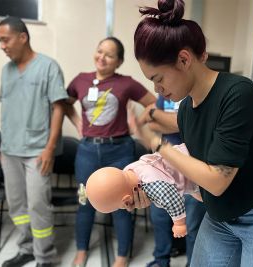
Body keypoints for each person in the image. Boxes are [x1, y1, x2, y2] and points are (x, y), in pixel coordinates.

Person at [129, 0, 253, 266]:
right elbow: (183, 121)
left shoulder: (238, 93)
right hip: (222, 212)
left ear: (184, 59)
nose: (157, 89)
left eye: (158, 79)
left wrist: (156, 144)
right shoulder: (189, 106)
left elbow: (216, 180)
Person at [65, 36, 156, 267]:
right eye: (99, 51)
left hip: (119, 150)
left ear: (119, 61)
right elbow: (63, 104)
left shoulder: (126, 83)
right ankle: (81, 250)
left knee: (122, 204)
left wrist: (139, 124)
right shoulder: (81, 80)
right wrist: (78, 124)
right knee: (84, 201)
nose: (102, 57)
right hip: (87, 150)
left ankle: (122, 256)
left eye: (109, 55)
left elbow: (154, 103)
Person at [0, 16, 68, 267]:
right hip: (10, 151)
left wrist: (50, 147)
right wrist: (2, 147)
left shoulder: (48, 66)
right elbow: (7, 110)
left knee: (38, 205)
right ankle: (27, 248)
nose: (2, 46)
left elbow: (59, 107)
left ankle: (45, 257)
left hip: (37, 151)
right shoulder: (6, 71)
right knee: (17, 206)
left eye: (5, 40)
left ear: (23, 37)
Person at [138, 96, 205, 267]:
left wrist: (155, 114)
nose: (159, 87)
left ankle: (192, 263)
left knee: (192, 225)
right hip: (163, 170)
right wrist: (160, 119)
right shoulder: (165, 95)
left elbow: (191, 124)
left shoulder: (198, 94)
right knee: (160, 220)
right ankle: (161, 261)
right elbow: (150, 123)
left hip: (191, 171)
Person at [85, 143, 202, 237]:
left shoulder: (151, 185)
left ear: (126, 201)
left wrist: (179, 223)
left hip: (196, 169)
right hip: (188, 150)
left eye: (120, 207)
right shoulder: (131, 169)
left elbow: (172, 198)